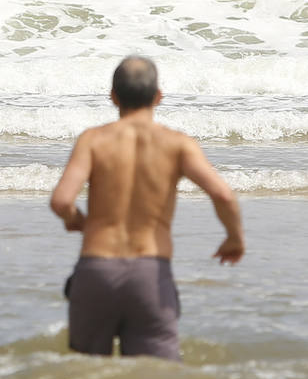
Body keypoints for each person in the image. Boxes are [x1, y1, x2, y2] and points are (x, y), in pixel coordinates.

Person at [49, 56, 244, 361]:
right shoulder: (178, 144)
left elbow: (61, 201)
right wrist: (234, 237)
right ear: (158, 96)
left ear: (113, 96)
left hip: (96, 270)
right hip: (150, 275)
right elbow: (223, 196)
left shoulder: (93, 140)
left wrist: (77, 220)